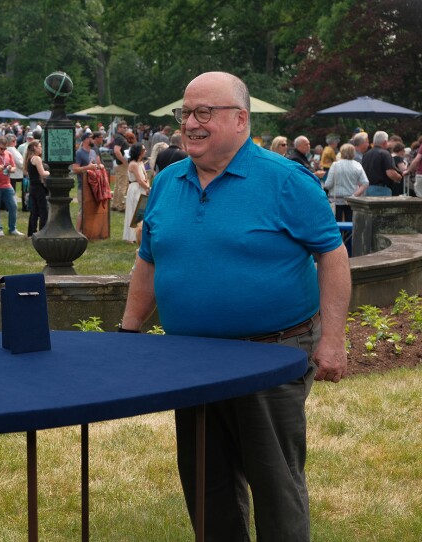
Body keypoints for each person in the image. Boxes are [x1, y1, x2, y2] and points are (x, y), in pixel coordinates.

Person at [123, 71, 350, 541]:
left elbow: (332, 254)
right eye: (185, 113)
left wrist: (332, 340)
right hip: (192, 360)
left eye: (204, 112)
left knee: (275, 481)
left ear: (241, 119)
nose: (190, 123)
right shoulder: (167, 182)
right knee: (207, 484)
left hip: (271, 355)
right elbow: (148, 261)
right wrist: (128, 333)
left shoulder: (286, 180)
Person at [324, 143, 369, 221]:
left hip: (336, 199)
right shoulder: (357, 165)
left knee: (337, 223)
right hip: (351, 199)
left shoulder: (335, 165)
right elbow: (365, 183)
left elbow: (328, 184)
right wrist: (355, 195)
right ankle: (348, 233)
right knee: (350, 222)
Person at [0, 136, 23, 236]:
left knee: (13, 206)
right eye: (1, 148)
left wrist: (9, 169)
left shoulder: (8, 154)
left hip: (7, 184)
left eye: (5, 148)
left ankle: (12, 228)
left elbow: (14, 168)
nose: (3, 150)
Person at [123, 143, 150, 243]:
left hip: (142, 188)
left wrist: (147, 187)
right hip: (135, 188)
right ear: (139, 152)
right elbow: (139, 180)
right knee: (134, 211)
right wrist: (149, 188)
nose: (145, 151)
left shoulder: (141, 163)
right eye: (143, 150)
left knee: (141, 212)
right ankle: (131, 237)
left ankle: (139, 235)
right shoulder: (133, 164)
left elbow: (145, 176)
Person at [361, 131, 403, 196]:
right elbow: (390, 173)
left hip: (367, 188)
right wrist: (399, 177)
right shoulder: (385, 154)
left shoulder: (366, 154)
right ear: (385, 142)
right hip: (381, 190)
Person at [25, 139, 50, 237]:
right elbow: (43, 173)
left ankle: (31, 233)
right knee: (43, 211)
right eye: (40, 146)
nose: (41, 148)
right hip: (39, 187)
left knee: (34, 211)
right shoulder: (37, 158)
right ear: (35, 148)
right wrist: (50, 173)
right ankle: (42, 232)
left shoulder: (29, 158)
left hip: (32, 187)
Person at [110, 123, 130, 211]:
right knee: (122, 185)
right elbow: (117, 151)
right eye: (124, 127)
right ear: (119, 128)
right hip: (121, 164)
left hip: (118, 163)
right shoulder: (119, 138)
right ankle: (121, 206)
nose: (125, 129)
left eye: (126, 127)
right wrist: (125, 162)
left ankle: (115, 204)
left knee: (118, 185)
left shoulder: (119, 137)